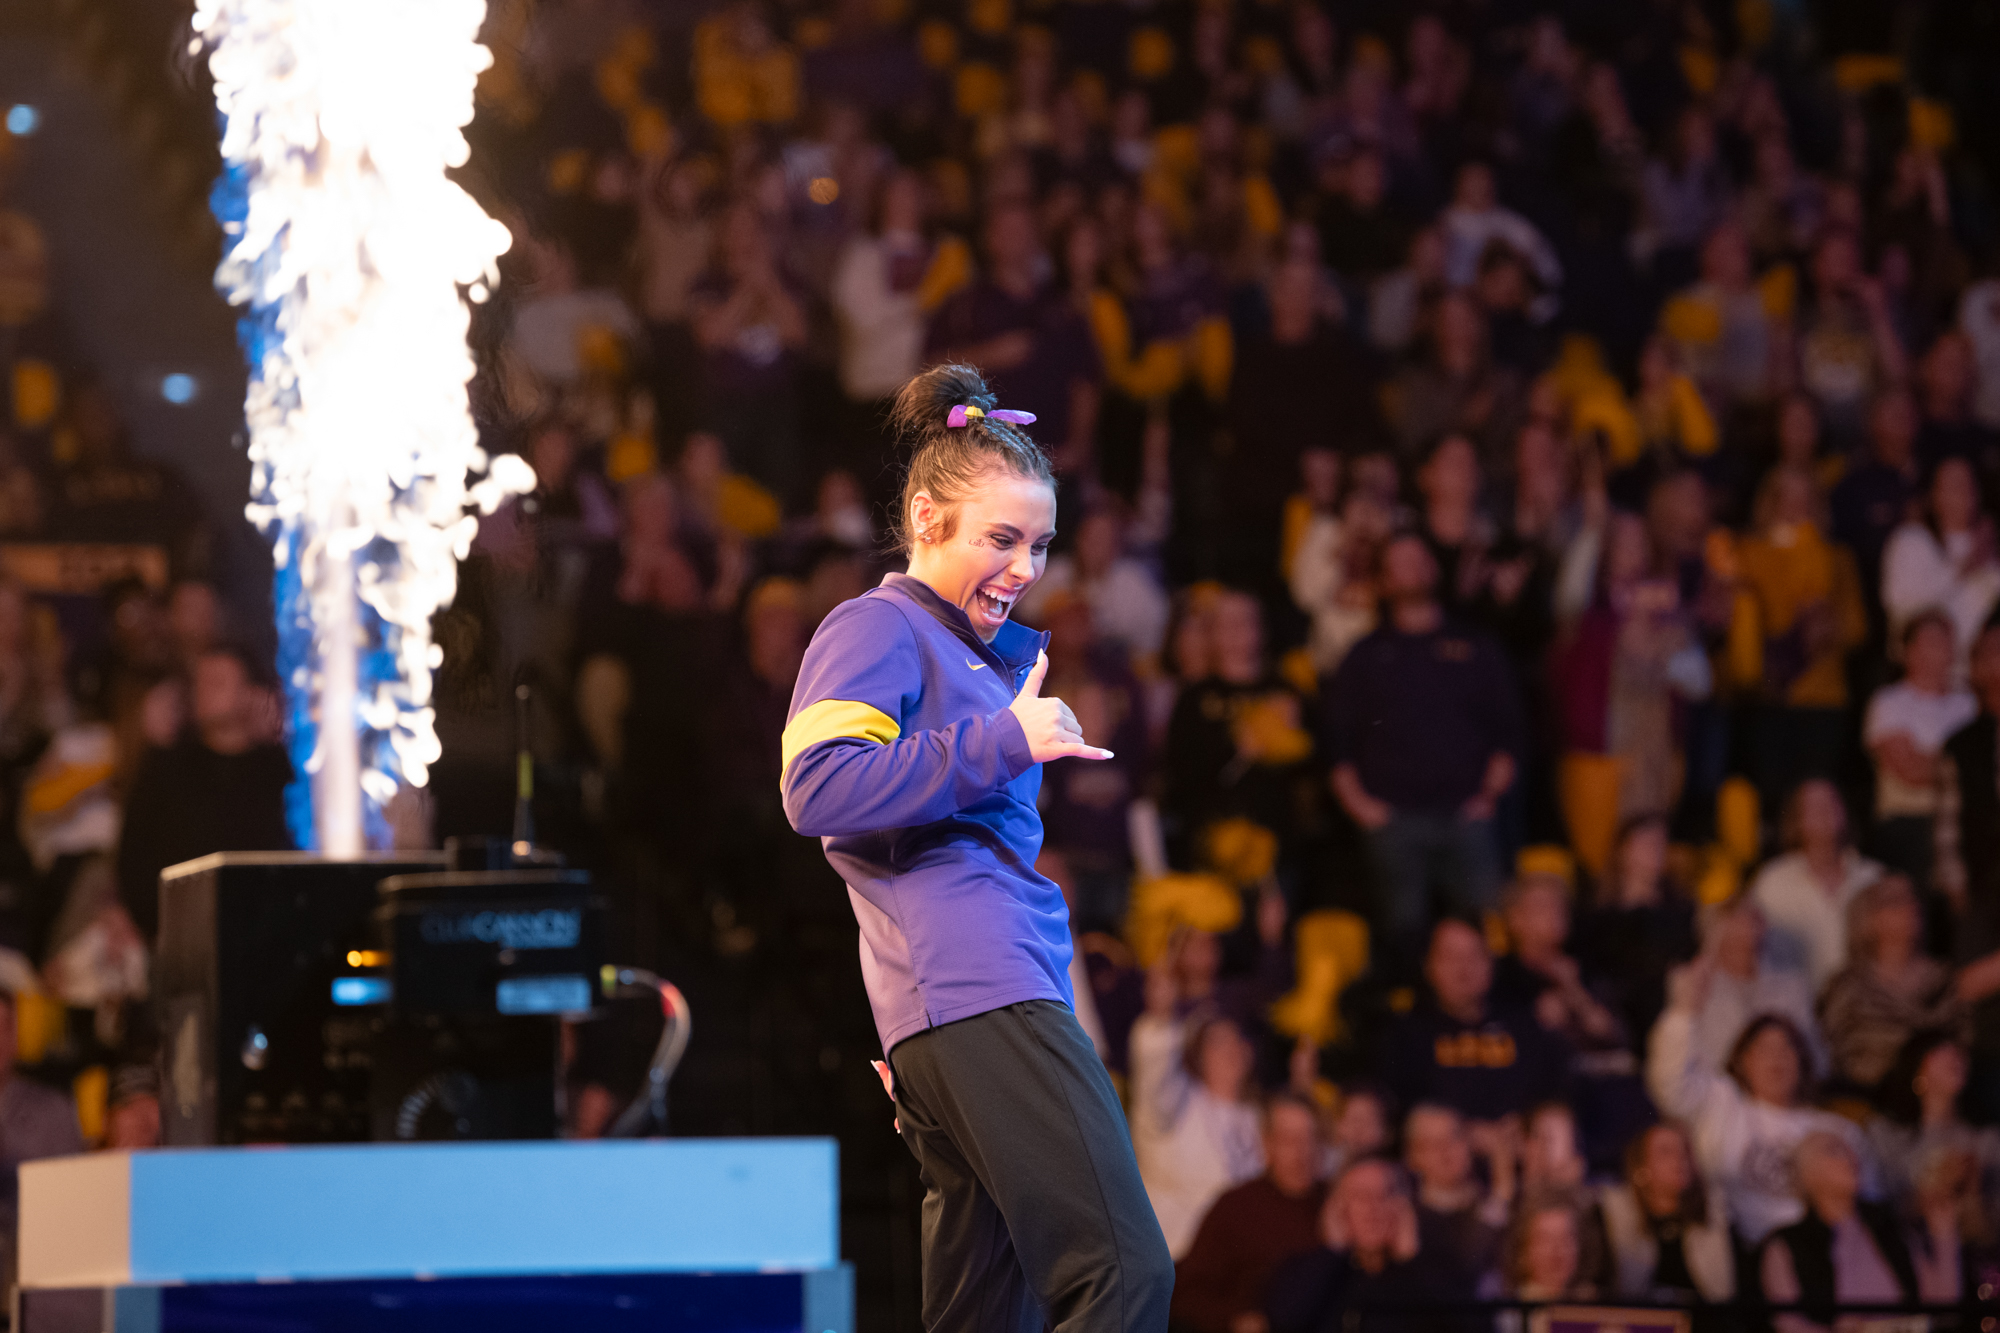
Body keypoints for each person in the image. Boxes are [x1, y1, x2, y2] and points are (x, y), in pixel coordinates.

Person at [782, 364, 1171, 1330]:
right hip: (977, 986)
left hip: (957, 1000)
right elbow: (817, 786)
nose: (1026, 565)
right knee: (1123, 1274)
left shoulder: (975, 653)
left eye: (1038, 543)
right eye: (1001, 538)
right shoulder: (878, 624)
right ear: (925, 518)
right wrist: (1006, 737)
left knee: (989, 1314)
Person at [1323, 535, 1524, 976]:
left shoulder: (1476, 647)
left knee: (1489, 932)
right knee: (1403, 939)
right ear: (1382, 580)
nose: (1411, 569)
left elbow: (1507, 732)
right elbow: (1338, 742)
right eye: (1399, 562)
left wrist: (1488, 797)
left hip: (1467, 814)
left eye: (1419, 558)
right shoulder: (1366, 655)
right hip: (1394, 820)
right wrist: (1362, 806)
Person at [1647, 958, 1871, 1244]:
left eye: (1786, 1048)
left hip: (1828, 1251)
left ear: (1802, 1063)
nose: (1777, 1058)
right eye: (1765, 1049)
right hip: (1743, 1250)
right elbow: (1670, 1084)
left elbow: (1869, 1200)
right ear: (1742, 1062)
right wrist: (1683, 1012)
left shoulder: (1838, 1130)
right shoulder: (1722, 1104)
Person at [115, 645, 291, 941]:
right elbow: (134, 855)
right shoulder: (168, 769)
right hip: (175, 937)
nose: (204, 692)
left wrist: (282, 741)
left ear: (251, 693)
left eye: (218, 683)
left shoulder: (277, 773)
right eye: (200, 684)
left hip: (264, 934)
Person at [1377, 918, 1571, 1129]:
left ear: (1491, 964)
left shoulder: (1526, 1026)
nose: (1463, 968)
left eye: (1474, 956)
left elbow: (1556, 1095)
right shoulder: (1406, 1035)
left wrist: (1524, 1126)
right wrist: (1468, 1133)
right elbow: (1400, 1110)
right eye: (1450, 957)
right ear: (1428, 966)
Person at [1759, 1130, 1960, 1333]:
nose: (1850, 1157)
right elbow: (1789, 1325)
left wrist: (1943, 1233)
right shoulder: (1785, 1246)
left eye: (1850, 1150)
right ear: (1807, 1174)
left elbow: (1943, 1307)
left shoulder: (1891, 1229)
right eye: (1833, 1150)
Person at [1131, 974, 1265, 1258]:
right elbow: (1157, 1071)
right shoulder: (1174, 1107)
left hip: (1239, 1266)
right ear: (1196, 1055)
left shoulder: (1260, 1118)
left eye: (1236, 1039)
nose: (1231, 1049)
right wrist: (1163, 1015)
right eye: (1217, 1042)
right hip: (1176, 1260)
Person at [1172, 1093, 1331, 1333]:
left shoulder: (1337, 1202)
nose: (1302, 1150)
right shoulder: (1236, 1207)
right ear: (1267, 1145)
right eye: (1289, 1139)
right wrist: (1234, 1321)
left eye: (1311, 1138)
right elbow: (1189, 1293)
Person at [1264, 1157, 1469, 1333]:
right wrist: (1332, 1252)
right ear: (1336, 1208)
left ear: (1404, 1206)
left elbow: (1464, 1326)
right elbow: (1285, 1323)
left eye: (1385, 1194)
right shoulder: (1304, 1269)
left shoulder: (1439, 1267)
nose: (1373, 1208)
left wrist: (1409, 1260)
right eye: (1360, 1196)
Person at [1864, 612, 1977, 887]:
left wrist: (1935, 760)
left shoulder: (1970, 704)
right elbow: (1909, 771)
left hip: (1963, 820)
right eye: (1928, 640)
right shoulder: (1889, 703)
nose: (1937, 648)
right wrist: (1962, 766)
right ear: (1908, 651)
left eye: (1943, 640)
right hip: (1909, 821)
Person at [1817, 877, 1960, 1092]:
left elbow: (1960, 1046)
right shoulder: (1846, 987)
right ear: (1868, 918)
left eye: (1914, 898)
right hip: (1865, 1102)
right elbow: (1829, 1052)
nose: (1912, 906)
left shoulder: (1945, 981)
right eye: (1895, 901)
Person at [1748, 779, 1886, 991]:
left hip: (1861, 1007)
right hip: (1796, 1005)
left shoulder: (1872, 878)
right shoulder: (1772, 882)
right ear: (1797, 820)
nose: (1825, 810)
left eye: (1832, 802)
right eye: (1813, 805)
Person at [1880, 455, 2000, 671]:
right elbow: (1904, 609)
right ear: (1933, 494)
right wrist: (1966, 566)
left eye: (1968, 482)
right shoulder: (1911, 541)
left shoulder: (1988, 548)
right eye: (1952, 483)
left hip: (1979, 679)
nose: (1963, 490)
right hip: (1921, 679)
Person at [1598, 1122, 1734, 1303]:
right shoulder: (1619, 1213)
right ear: (1641, 1168)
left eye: (1684, 1150)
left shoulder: (1714, 1210)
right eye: (1665, 1151)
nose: (1679, 1158)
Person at [1403, 1102, 1509, 1280]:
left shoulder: (1499, 1199)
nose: (1444, 1150)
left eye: (1453, 1137)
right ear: (1413, 1157)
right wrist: (1502, 1190)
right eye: (1431, 1144)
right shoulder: (1412, 1219)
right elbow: (1468, 1267)